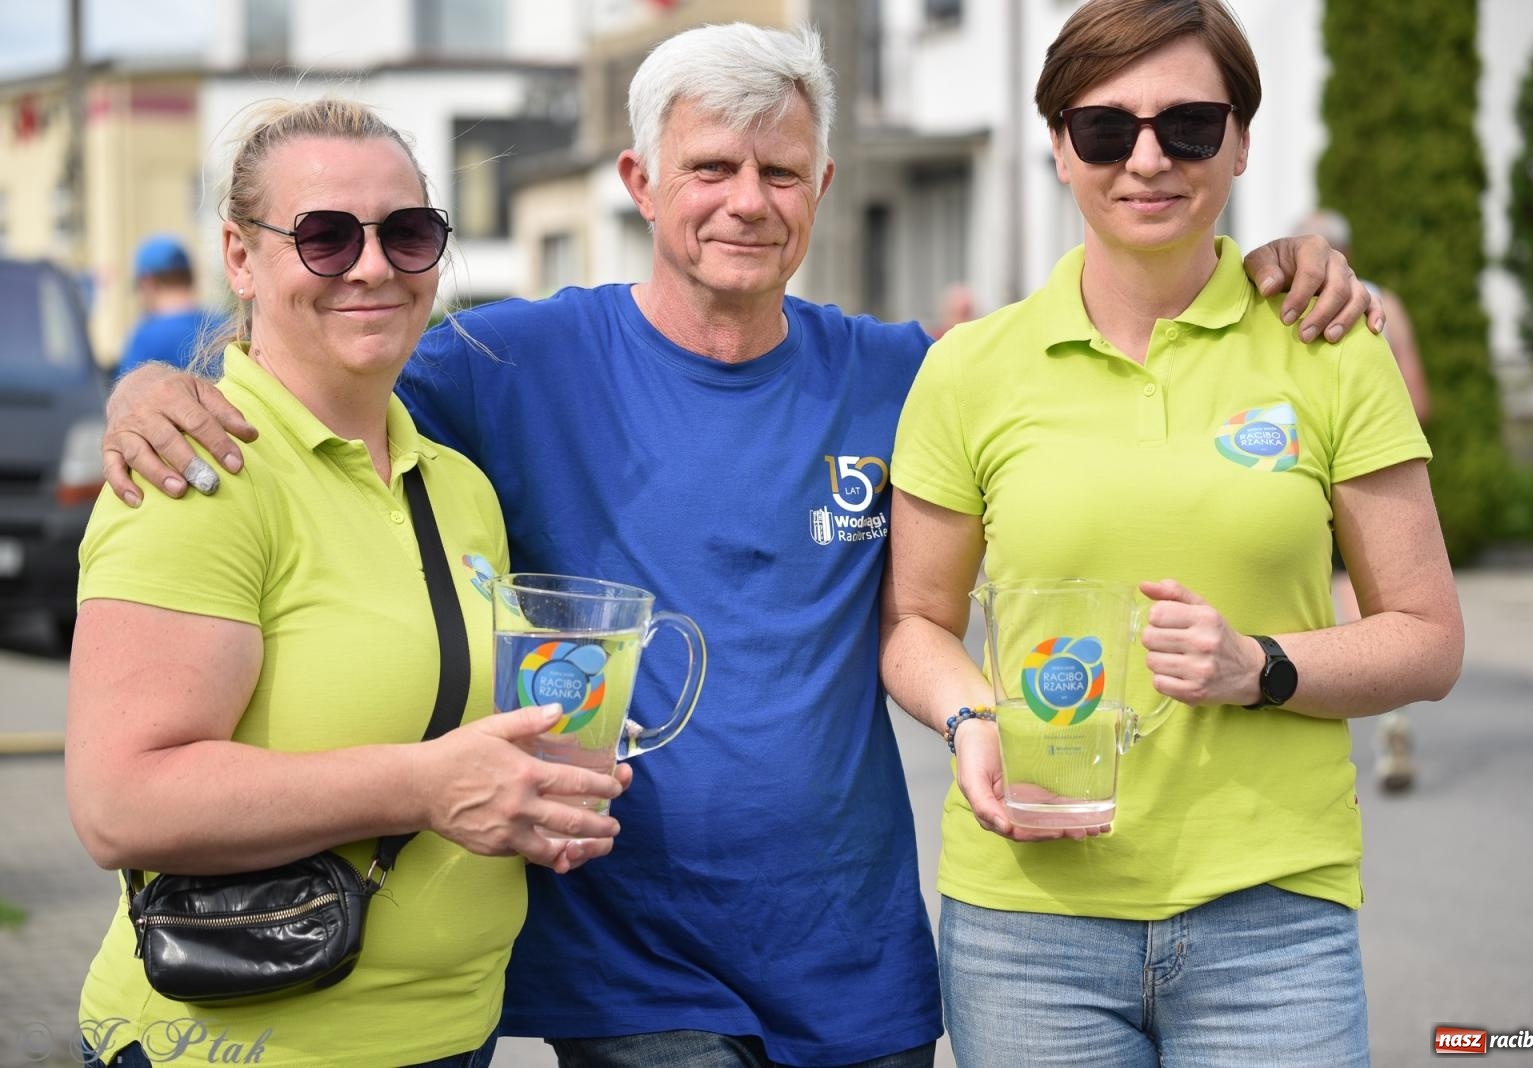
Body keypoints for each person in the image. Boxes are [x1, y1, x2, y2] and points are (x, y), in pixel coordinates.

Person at [96, 24, 1383, 1068]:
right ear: (640, 182)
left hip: (858, 964)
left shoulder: (904, 374)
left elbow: (1075, 391)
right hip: (630, 970)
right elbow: (323, 348)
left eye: (779, 173)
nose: (745, 203)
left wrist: (1274, 272)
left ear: (822, 188)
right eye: (709, 168)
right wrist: (156, 383)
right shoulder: (511, 363)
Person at [879, 2, 1464, 1065]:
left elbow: (1426, 636)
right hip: (1027, 929)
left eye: (1189, 125)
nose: (1146, 158)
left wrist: (1261, 666)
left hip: (1271, 921)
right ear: (1057, 147)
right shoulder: (968, 369)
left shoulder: (1329, 350)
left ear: (1240, 138)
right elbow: (914, 619)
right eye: (1106, 128)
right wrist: (971, 721)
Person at [66, 98, 628, 1068]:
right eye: (324, 237)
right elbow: (123, 802)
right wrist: (427, 787)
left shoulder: (453, 485)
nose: (372, 265)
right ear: (240, 258)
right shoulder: (196, 475)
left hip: (453, 1036)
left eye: (407, 234)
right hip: (246, 1043)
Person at [1301, 207, 1430, 794]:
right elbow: (1418, 399)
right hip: (1373, 465)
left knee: (1321, 589)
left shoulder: (1289, 307)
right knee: (1373, 597)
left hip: (1297, 459)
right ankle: (1391, 717)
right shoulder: (1385, 304)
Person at [116, 235, 210, 377]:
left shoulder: (146, 339)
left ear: (148, 282)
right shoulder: (222, 326)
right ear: (190, 277)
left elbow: (127, 395)